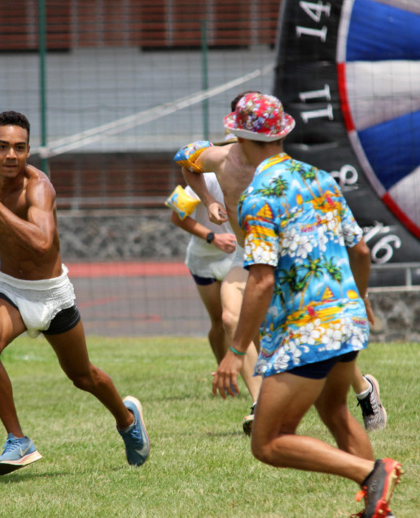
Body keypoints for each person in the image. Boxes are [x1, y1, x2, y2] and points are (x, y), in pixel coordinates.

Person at [209, 93, 402, 518]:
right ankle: (377, 502)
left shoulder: (258, 196)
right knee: (335, 412)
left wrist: (236, 351)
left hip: (307, 332)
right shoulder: (320, 179)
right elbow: (362, 251)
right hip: (347, 320)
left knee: (269, 441)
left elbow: (260, 279)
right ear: (282, 133)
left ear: (239, 137)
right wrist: (361, 299)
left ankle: (373, 474)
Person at [0, 111, 149, 475]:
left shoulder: (38, 186)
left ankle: (127, 419)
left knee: (83, 377)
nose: (10, 155)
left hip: (51, 294)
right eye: (2, 147)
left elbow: (43, 244)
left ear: (29, 151)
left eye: (18, 148)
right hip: (11, 290)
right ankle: (18, 441)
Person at [176, 91, 387, 433]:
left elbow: (356, 247)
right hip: (249, 256)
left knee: (320, 340)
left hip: (288, 257)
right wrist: (209, 199)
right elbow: (184, 159)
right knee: (231, 318)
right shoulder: (220, 159)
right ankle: (260, 403)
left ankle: (364, 389)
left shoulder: (291, 176)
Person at [166, 172, 262, 431]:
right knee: (220, 322)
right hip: (205, 260)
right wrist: (213, 237)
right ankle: (227, 373)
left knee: (250, 321)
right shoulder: (203, 181)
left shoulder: (254, 176)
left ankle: (260, 381)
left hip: (238, 257)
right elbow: (176, 216)